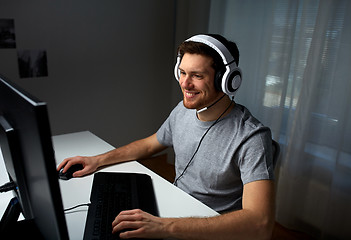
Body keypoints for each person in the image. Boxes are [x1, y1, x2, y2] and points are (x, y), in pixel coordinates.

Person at [57, 34, 275, 239]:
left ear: (226, 80)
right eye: (182, 72)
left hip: (208, 230)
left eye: (197, 76)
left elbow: (260, 223)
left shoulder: (252, 137)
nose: (185, 83)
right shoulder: (184, 110)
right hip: (173, 212)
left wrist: (165, 226)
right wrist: (97, 160)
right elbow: (151, 144)